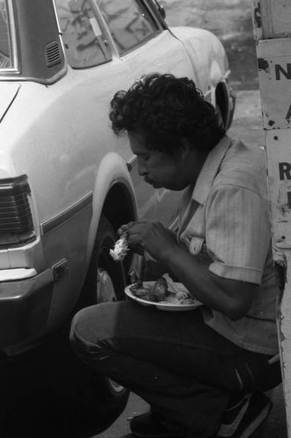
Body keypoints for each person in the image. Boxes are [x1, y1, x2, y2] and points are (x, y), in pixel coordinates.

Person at [70, 73, 280, 438]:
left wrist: (166, 248)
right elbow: (204, 261)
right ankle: (190, 410)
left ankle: (216, 411)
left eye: (146, 155)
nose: (141, 168)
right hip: (230, 332)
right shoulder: (208, 170)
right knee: (124, 316)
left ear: (182, 147)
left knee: (88, 330)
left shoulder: (233, 186)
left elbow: (233, 300)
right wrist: (156, 253)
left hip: (251, 349)